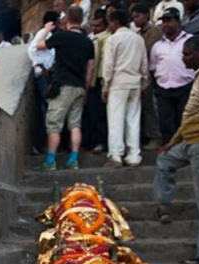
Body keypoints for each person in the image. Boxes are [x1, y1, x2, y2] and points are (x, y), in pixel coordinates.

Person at [153, 35, 199, 264]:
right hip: (191, 141)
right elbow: (189, 118)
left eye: (187, 54)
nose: (183, 58)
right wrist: (172, 143)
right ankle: (163, 204)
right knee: (164, 161)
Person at [36, 6, 95, 170]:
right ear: (81, 20)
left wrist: (46, 29)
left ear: (67, 19)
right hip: (79, 87)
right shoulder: (87, 41)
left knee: (54, 124)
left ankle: (50, 161)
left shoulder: (61, 37)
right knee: (75, 125)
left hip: (63, 85)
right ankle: (73, 159)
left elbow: (39, 45)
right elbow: (90, 68)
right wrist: (86, 88)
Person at [102, 8, 148, 167]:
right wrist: (143, 83)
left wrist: (105, 86)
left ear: (115, 22)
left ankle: (116, 155)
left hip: (118, 83)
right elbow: (144, 65)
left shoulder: (112, 40)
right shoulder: (138, 39)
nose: (109, 26)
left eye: (110, 22)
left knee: (116, 120)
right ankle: (134, 155)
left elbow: (108, 67)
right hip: (135, 83)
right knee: (133, 120)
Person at [150, 8, 195, 144]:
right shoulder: (157, 46)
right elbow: (153, 67)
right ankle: (169, 149)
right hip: (163, 89)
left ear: (178, 21)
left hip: (185, 87)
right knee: (165, 123)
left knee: (186, 121)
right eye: (163, 22)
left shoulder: (190, 40)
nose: (166, 24)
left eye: (169, 20)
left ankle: (186, 150)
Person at [132, 2, 164, 149]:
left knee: (150, 107)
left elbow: (147, 51)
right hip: (141, 74)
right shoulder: (138, 33)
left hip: (152, 73)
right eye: (133, 17)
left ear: (146, 15)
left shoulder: (154, 31)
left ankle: (155, 138)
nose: (135, 20)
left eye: (138, 16)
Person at [83, 9, 111, 154]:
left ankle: (102, 142)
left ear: (106, 26)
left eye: (98, 26)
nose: (95, 29)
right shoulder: (91, 38)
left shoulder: (107, 39)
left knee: (100, 114)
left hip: (102, 80)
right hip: (92, 82)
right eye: (93, 26)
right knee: (93, 113)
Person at [28, 9, 60, 133]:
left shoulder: (50, 35)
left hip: (48, 74)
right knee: (48, 106)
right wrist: (41, 67)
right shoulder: (43, 33)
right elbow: (32, 50)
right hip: (44, 75)